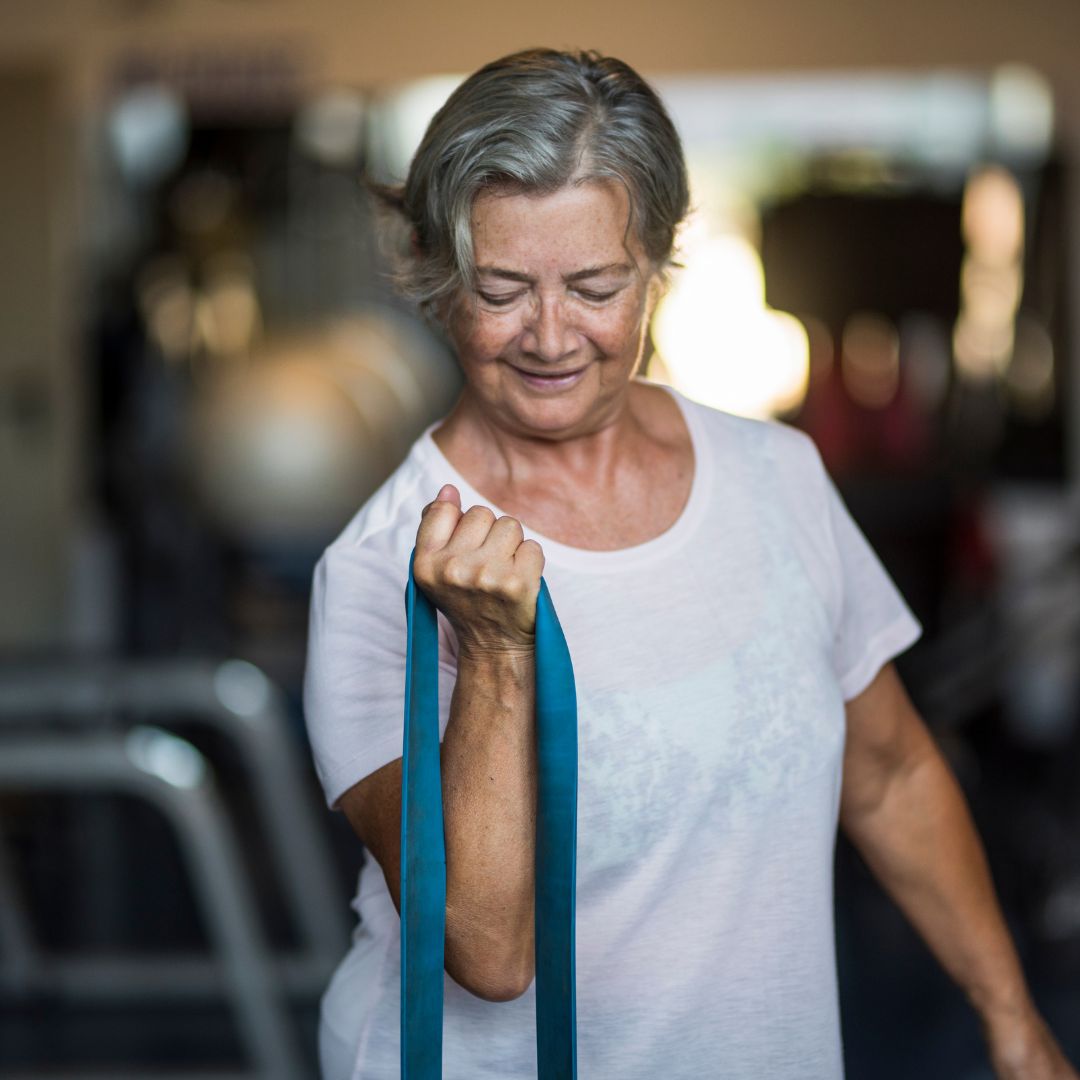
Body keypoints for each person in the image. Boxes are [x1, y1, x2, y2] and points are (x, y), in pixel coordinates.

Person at [303, 48, 1077, 1080]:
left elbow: (890, 773)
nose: (549, 336)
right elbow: (486, 954)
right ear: (440, 280)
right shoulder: (378, 570)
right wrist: (492, 654)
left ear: (659, 265)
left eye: (594, 287)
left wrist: (1012, 1016)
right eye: (502, 289)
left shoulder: (775, 476)